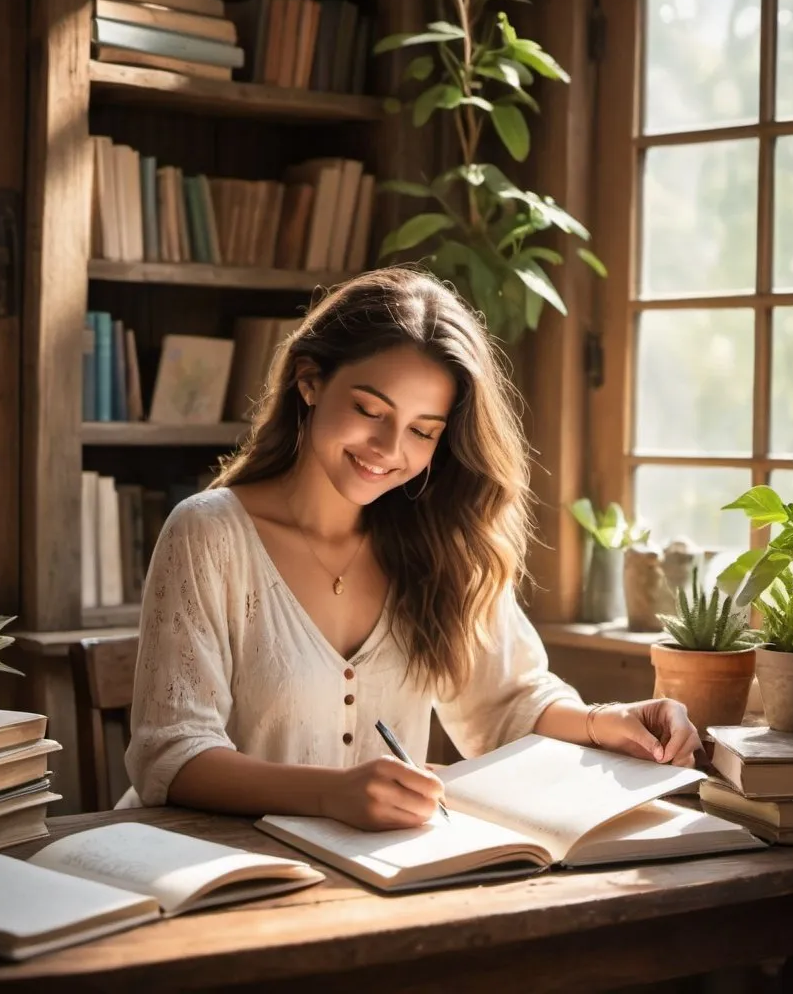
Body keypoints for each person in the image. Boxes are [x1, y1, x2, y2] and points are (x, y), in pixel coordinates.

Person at [121, 267, 701, 830]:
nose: (387, 448)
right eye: (370, 410)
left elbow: (506, 703)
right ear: (309, 380)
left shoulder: (440, 540)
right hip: (209, 874)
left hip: (371, 878)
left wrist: (608, 721)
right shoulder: (208, 533)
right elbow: (171, 754)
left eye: (423, 430)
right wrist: (332, 794)